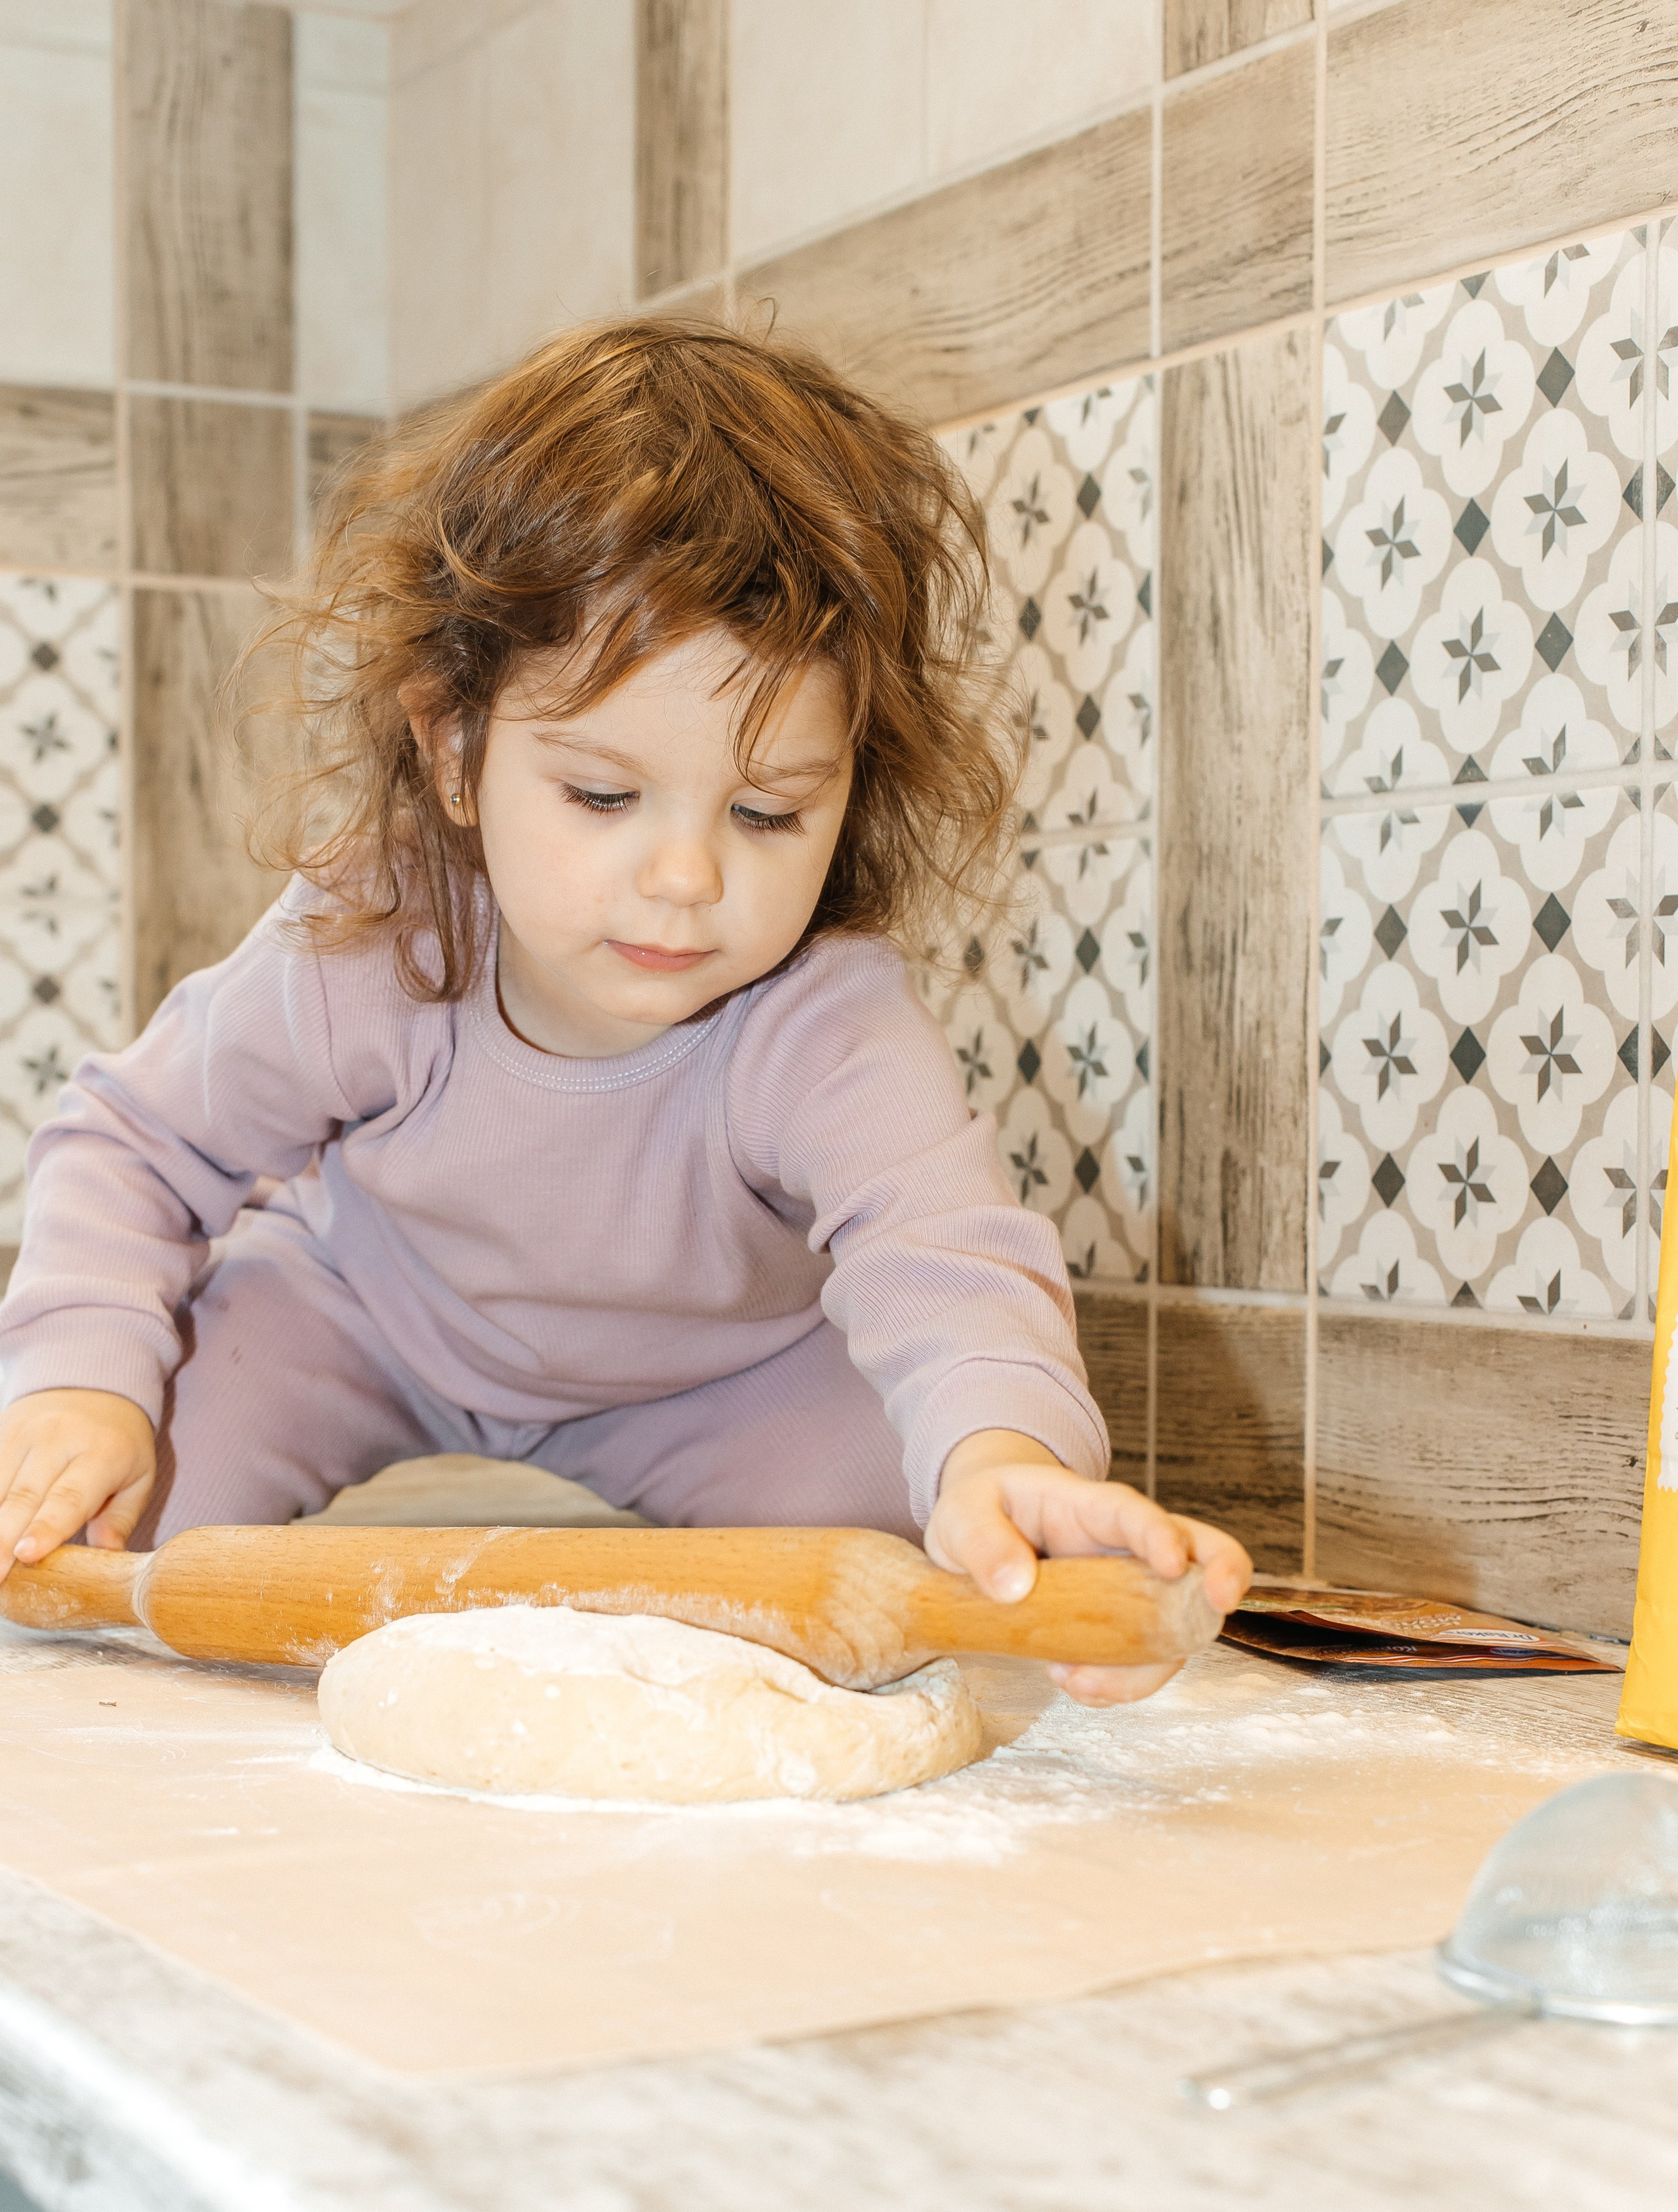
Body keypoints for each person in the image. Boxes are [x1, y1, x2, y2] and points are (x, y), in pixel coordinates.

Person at [0, 318, 1248, 1702]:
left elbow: (942, 1256)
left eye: (768, 811)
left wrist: (1001, 1459)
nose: (684, 879)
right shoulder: (373, 937)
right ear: (454, 747)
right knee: (100, 1535)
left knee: (925, 1568)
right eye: (602, 796)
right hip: (358, 1316)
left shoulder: (824, 1020)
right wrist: (79, 1385)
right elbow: (133, 1144)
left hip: (712, 1388)